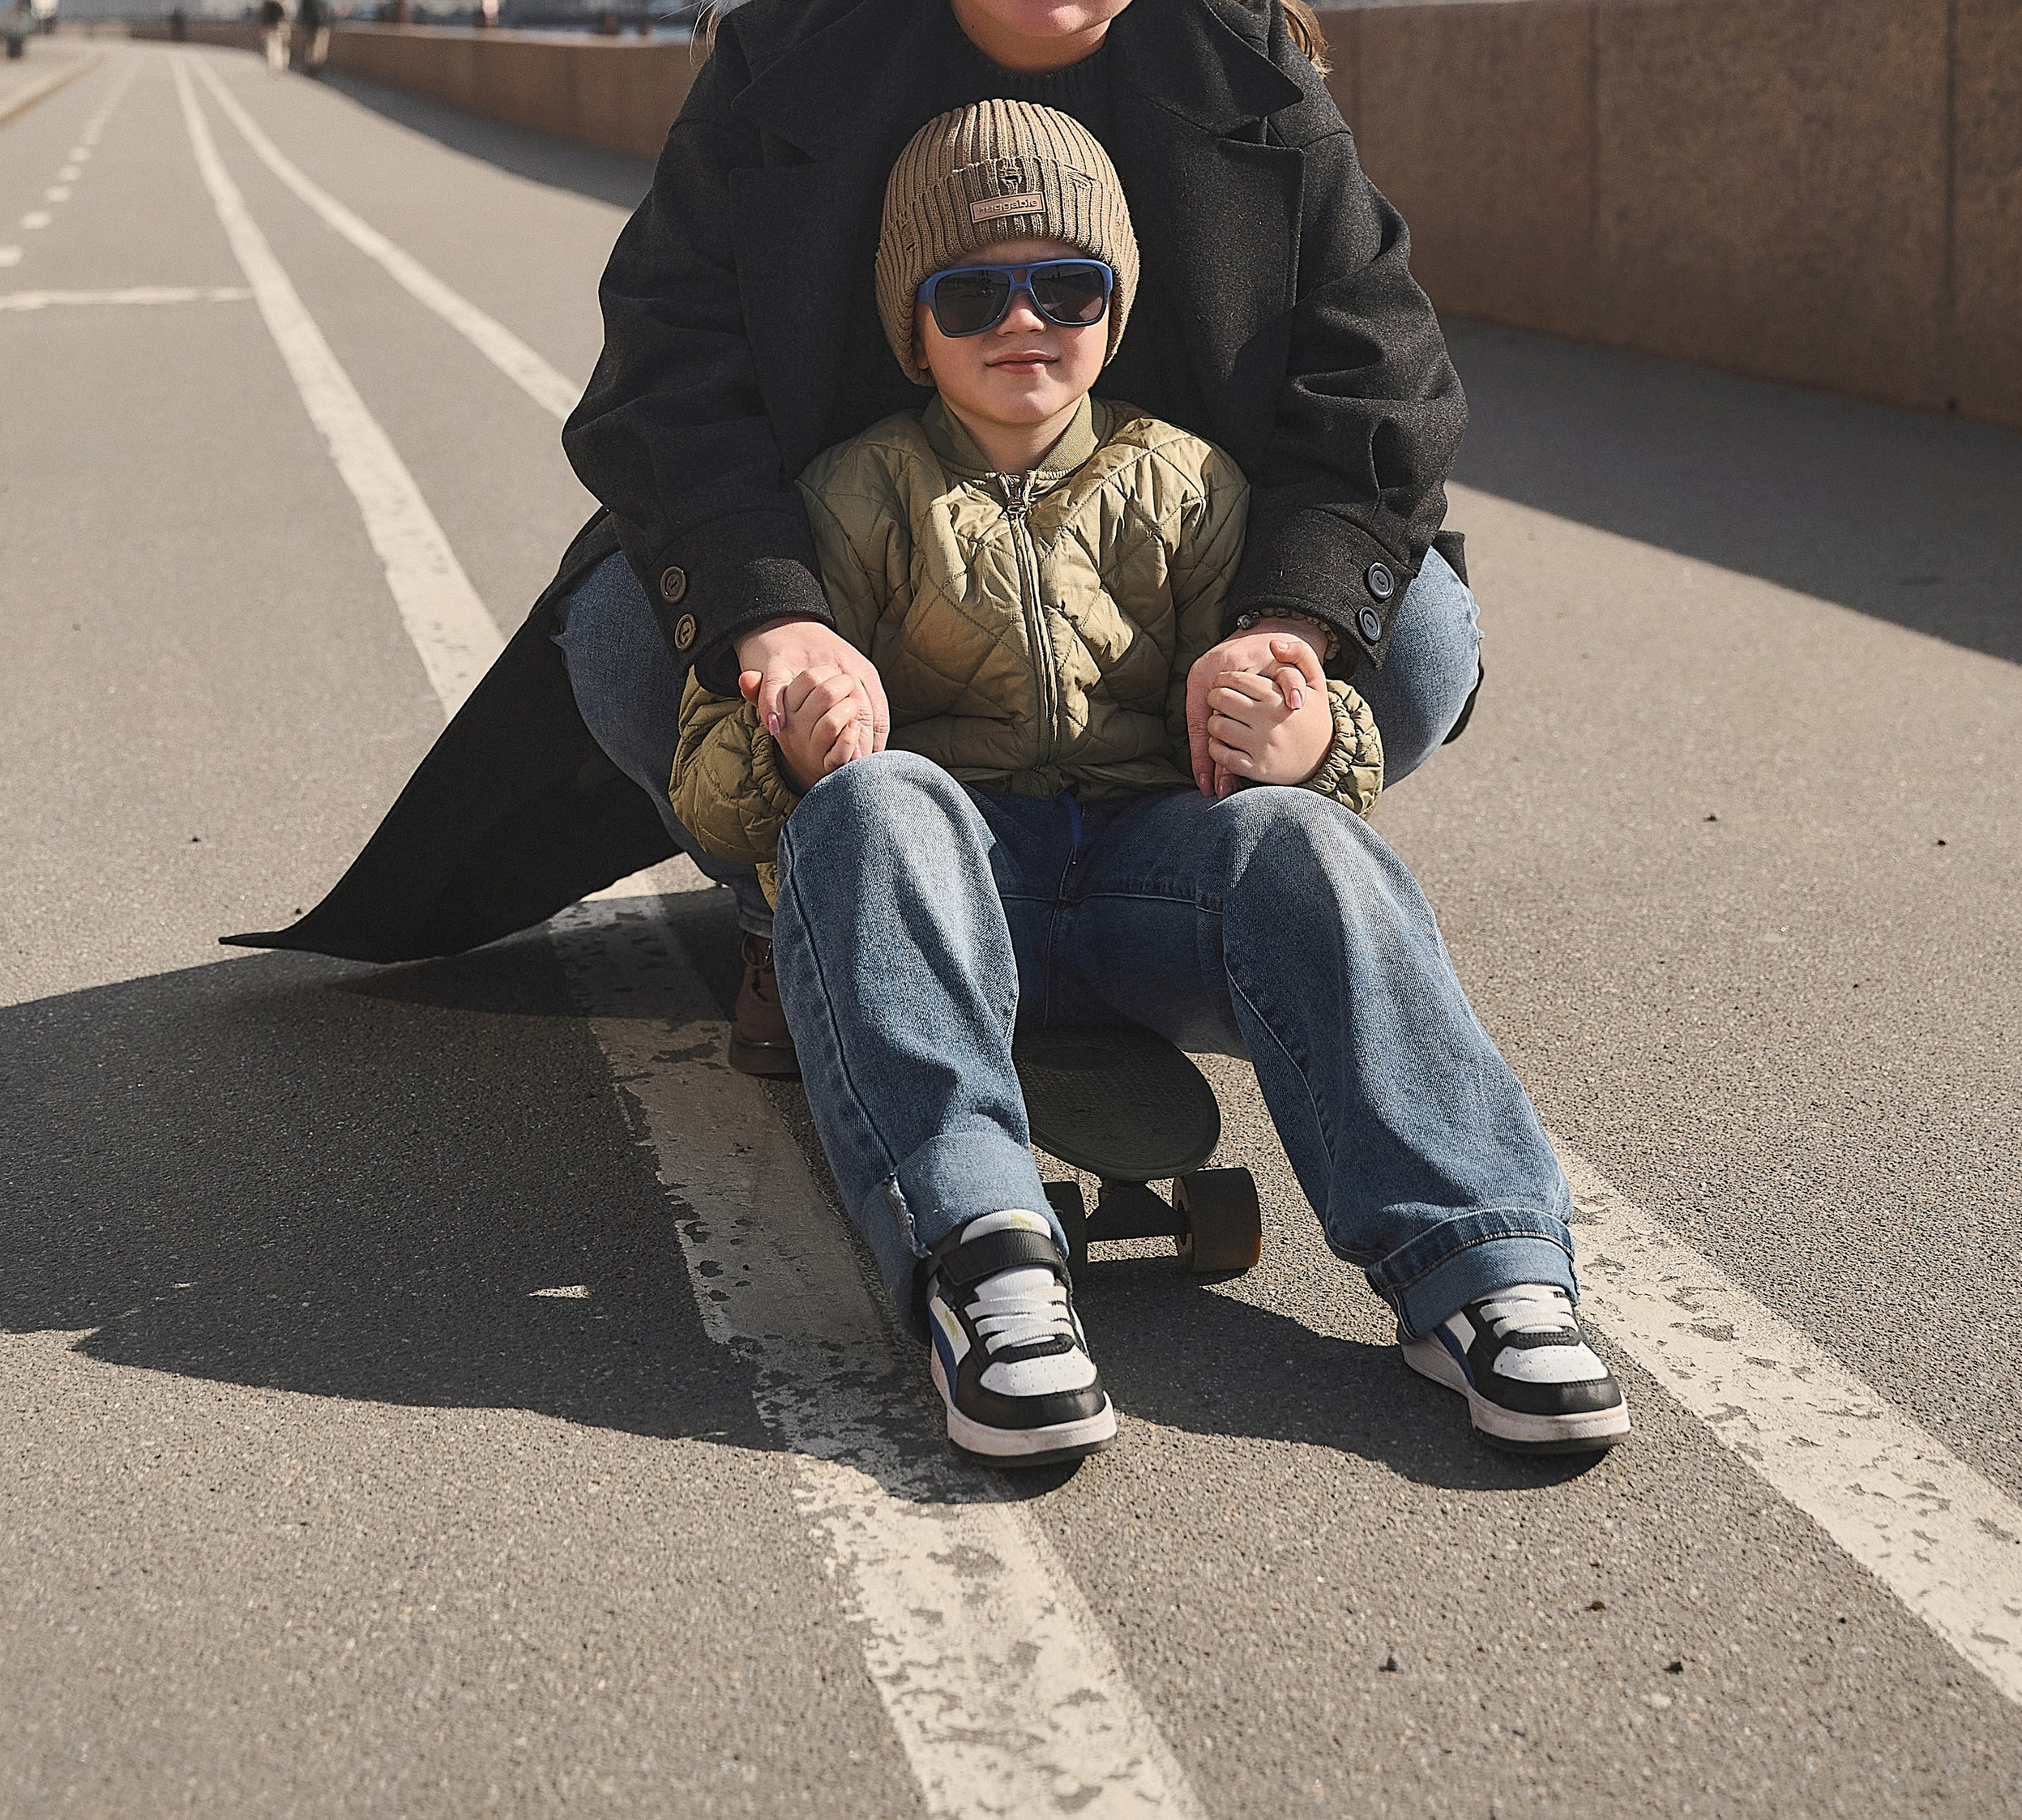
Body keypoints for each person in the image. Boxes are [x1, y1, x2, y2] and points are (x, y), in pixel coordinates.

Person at [229, 0, 1483, 1089]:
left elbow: (1382, 381)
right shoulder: (786, 68)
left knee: (1422, 630)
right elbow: (665, 375)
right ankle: (796, 900)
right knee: (636, 629)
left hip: (1153, 598)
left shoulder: (1256, 85)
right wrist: (774, 621)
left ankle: (1164, 884)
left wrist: (1287, 631)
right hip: (862, 587)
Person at [673, 101, 1628, 1462]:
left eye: (1068, 285)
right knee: (877, 809)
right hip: (956, 884)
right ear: (911, 322)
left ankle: (1484, 1263)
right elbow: (712, 792)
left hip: (1144, 876)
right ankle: (986, 1259)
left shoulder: (1183, 482)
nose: (1025, 319)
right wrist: (791, 742)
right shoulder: (850, 496)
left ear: (1116, 309)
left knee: (1307, 848)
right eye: (972, 291)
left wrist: (1306, 743)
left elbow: (1308, 735)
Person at [293, 0, 333, 71]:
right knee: (314, 46)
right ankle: (314, 66)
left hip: (314, 24)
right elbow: (328, 10)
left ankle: (312, 66)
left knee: (313, 46)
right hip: (316, 25)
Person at [258, 0, 291, 75]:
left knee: (282, 47)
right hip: (273, 28)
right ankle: (275, 66)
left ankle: (281, 65)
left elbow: (288, 15)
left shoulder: (283, 1)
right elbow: (264, 17)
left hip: (281, 27)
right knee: (273, 47)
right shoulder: (269, 3)